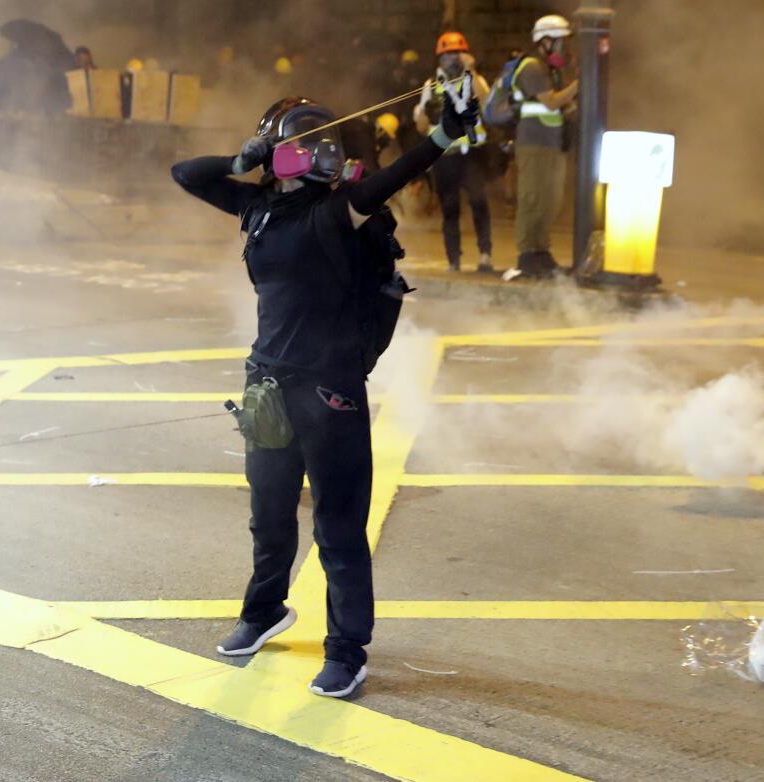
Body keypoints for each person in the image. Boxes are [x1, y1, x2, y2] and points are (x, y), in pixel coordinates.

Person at [171, 93, 477, 699]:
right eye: (301, 140)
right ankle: (263, 613)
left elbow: (396, 174)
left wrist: (444, 135)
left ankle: (346, 651)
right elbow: (187, 175)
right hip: (267, 383)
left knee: (337, 526)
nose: (317, 149)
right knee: (269, 516)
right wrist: (240, 158)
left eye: (322, 140)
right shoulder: (257, 207)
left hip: (329, 388)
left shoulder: (338, 211)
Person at [414, 31, 493, 273]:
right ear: (439, 59)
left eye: (457, 53)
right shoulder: (432, 85)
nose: (452, 59)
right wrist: (426, 114)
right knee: (449, 208)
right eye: (447, 55)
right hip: (445, 157)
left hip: (471, 154)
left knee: (479, 202)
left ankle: (485, 255)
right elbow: (421, 125)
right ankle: (453, 260)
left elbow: (486, 104)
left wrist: (473, 72)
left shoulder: (474, 80)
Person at [512, 15, 578, 277]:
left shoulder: (550, 71)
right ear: (546, 41)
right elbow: (550, 102)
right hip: (533, 143)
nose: (565, 48)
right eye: (562, 42)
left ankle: (541, 250)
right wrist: (579, 85)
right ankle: (527, 253)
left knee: (550, 199)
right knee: (532, 198)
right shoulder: (532, 68)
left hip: (552, 143)